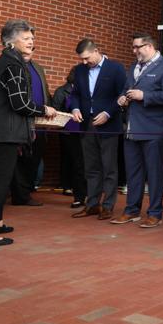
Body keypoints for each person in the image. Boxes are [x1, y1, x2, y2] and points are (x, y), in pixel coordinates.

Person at [0, 19, 57, 247]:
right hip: (4, 134)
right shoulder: (14, 65)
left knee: (0, 180)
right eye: (27, 39)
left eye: (32, 38)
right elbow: (21, 104)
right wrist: (45, 110)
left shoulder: (1, 62)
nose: (32, 42)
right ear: (12, 42)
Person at [111, 34, 163, 228]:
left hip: (154, 129)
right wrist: (122, 98)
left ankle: (155, 212)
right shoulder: (133, 67)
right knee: (133, 173)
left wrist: (144, 95)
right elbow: (126, 89)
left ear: (149, 46)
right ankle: (131, 210)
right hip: (132, 129)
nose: (134, 51)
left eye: (136, 47)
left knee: (155, 172)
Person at [69, 38, 127, 221]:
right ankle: (92, 204)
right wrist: (75, 108)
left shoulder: (116, 69)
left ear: (96, 51)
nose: (85, 62)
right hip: (87, 124)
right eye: (82, 59)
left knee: (109, 168)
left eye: (87, 58)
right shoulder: (79, 70)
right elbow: (76, 94)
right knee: (91, 167)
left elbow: (122, 95)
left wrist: (108, 113)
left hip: (109, 125)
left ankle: (108, 206)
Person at [9, 50, 51, 207]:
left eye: (31, 47)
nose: (28, 51)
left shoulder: (38, 68)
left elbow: (45, 91)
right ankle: (20, 196)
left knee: (34, 159)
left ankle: (24, 192)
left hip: (39, 124)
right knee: (18, 160)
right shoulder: (12, 66)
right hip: (18, 122)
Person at [52, 66, 87, 208]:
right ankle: (76, 194)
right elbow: (56, 109)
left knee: (84, 164)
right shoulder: (63, 91)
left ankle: (86, 193)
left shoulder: (86, 91)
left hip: (86, 131)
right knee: (74, 162)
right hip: (69, 131)